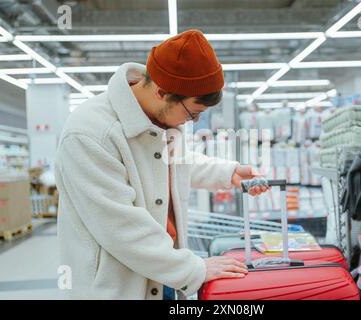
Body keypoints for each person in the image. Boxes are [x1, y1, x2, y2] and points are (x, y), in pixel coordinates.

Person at [55, 30, 269, 300]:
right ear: (161, 92)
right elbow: (120, 227)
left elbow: (178, 162)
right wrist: (194, 269)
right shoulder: (90, 134)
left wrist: (229, 172)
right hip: (118, 288)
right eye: (193, 113)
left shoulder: (162, 119)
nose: (191, 122)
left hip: (164, 273)